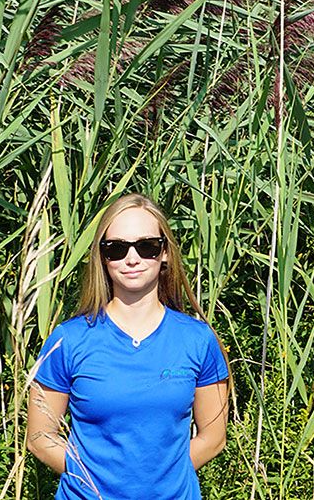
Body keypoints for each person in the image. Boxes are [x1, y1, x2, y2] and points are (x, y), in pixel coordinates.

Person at [26, 193, 231, 500]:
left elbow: (213, 438)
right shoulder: (69, 340)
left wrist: (161, 482)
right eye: (117, 248)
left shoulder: (198, 340)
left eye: (147, 246)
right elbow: (40, 438)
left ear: (165, 253)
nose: (132, 259)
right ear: (102, 257)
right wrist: (93, 482)